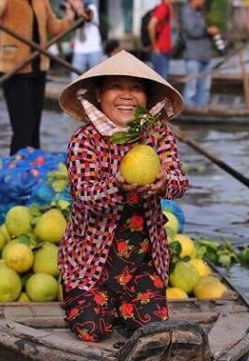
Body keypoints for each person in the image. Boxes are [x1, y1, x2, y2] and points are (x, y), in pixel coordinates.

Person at [57, 50, 188, 342]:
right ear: (100, 95)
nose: (126, 96)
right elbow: (85, 194)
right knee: (92, 331)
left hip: (142, 263)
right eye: (117, 86)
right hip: (89, 264)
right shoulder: (84, 140)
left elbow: (180, 181)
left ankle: (123, 303)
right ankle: (90, 298)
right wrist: (118, 184)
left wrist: (165, 182)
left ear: (147, 98)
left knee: (151, 329)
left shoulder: (158, 135)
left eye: (136, 88)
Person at [0, 0, 87, 155]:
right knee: (23, 129)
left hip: (38, 69)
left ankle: (33, 167)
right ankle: (18, 167)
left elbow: (54, 27)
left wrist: (74, 19)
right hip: (15, 69)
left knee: (34, 128)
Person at [180, 0, 219, 108]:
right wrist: (207, 30)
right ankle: (189, 108)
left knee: (204, 86)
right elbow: (191, 31)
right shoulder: (186, 12)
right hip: (193, 55)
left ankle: (201, 108)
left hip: (204, 55)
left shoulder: (199, 12)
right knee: (191, 86)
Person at [71, 0, 104, 79]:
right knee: (75, 79)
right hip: (79, 49)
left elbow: (89, 15)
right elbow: (71, 24)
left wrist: (79, 10)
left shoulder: (91, 7)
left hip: (94, 48)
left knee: (97, 78)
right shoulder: (72, 10)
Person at [148, 0, 174, 79]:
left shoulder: (168, 8)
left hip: (165, 50)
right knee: (161, 81)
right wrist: (155, 46)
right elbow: (151, 26)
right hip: (160, 51)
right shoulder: (162, 8)